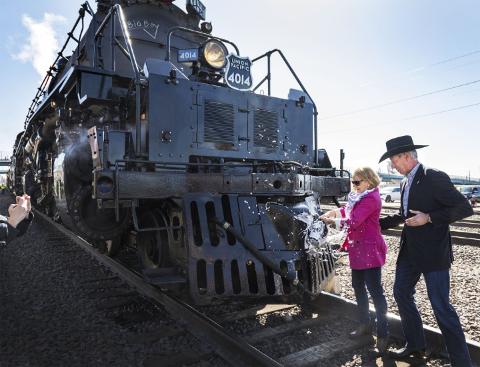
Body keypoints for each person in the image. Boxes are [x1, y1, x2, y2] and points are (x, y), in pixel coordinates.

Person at [379, 135, 473, 366]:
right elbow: (405, 214)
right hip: (410, 252)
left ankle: (462, 362)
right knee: (401, 292)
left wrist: (429, 218)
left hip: (433, 254)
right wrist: (373, 224)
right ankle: (415, 345)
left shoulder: (433, 177)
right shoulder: (404, 182)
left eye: (393, 160)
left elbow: (464, 207)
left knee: (440, 306)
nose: (392, 165)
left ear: (406, 156)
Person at [320, 167, 389, 354]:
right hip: (358, 249)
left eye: (357, 182)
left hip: (370, 250)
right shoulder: (359, 196)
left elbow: (354, 221)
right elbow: (348, 210)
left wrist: (331, 222)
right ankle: (365, 325)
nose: (354, 185)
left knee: (375, 291)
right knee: (358, 287)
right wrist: (334, 212)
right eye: (353, 182)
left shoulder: (371, 198)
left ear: (368, 181)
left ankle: (383, 333)